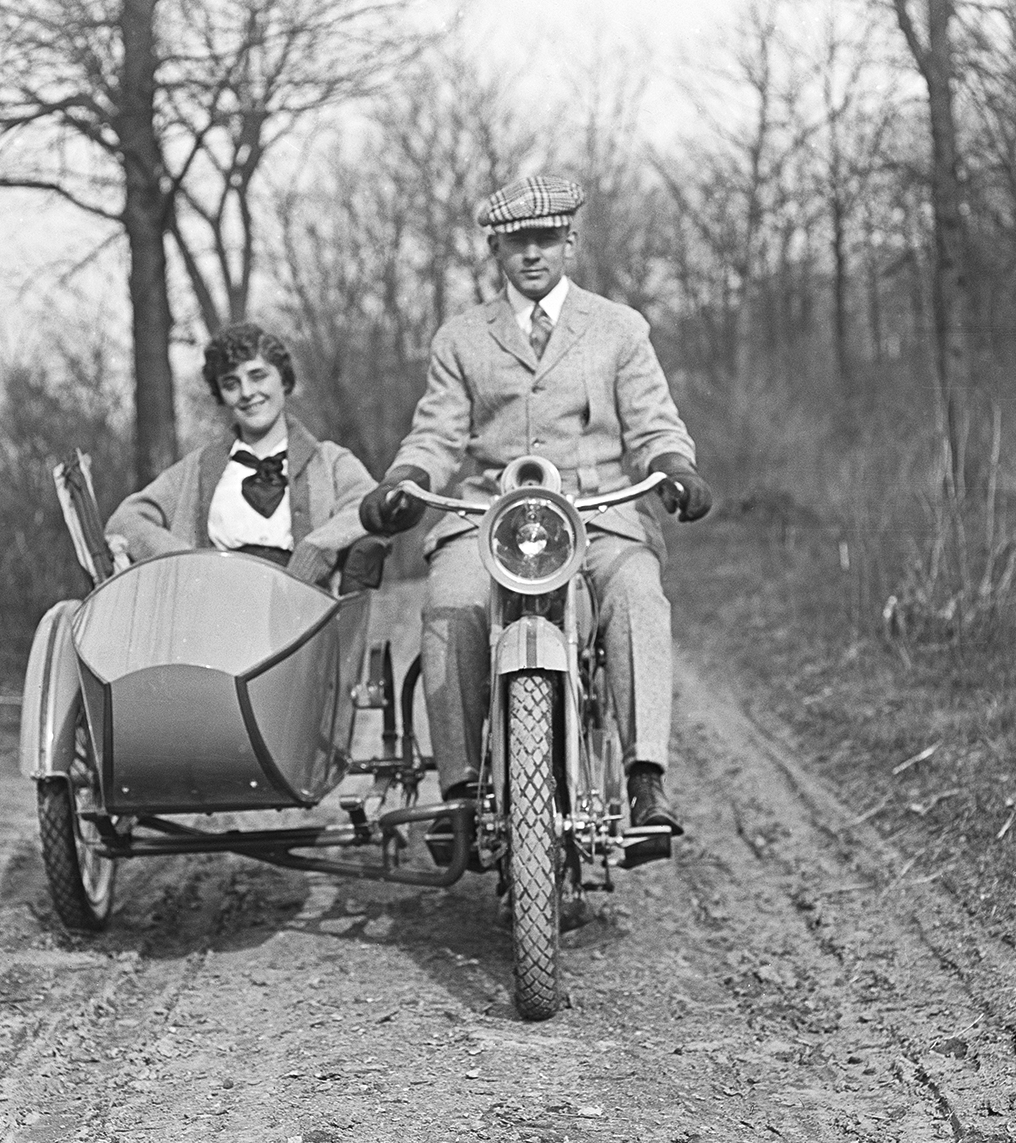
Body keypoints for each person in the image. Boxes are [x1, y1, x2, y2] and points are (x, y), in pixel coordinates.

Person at [359, 176, 712, 832]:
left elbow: (653, 423)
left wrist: (673, 468)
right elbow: (436, 432)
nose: (532, 254)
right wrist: (405, 479)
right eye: (517, 241)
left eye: (546, 239)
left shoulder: (618, 328)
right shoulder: (461, 338)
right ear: (495, 247)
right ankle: (462, 789)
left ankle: (645, 777)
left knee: (637, 589)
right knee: (450, 601)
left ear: (570, 241)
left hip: (598, 508)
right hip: (491, 513)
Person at [106, 322, 382, 590]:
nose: (248, 393)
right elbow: (126, 520)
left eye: (258, 376)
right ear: (221, 394)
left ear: (283, 379)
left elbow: (369, 506)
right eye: (231, 383)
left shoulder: (329, 460)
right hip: (215, 611)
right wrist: (186, 563)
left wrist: (315, 550)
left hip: (303, 610)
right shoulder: (199, 467)